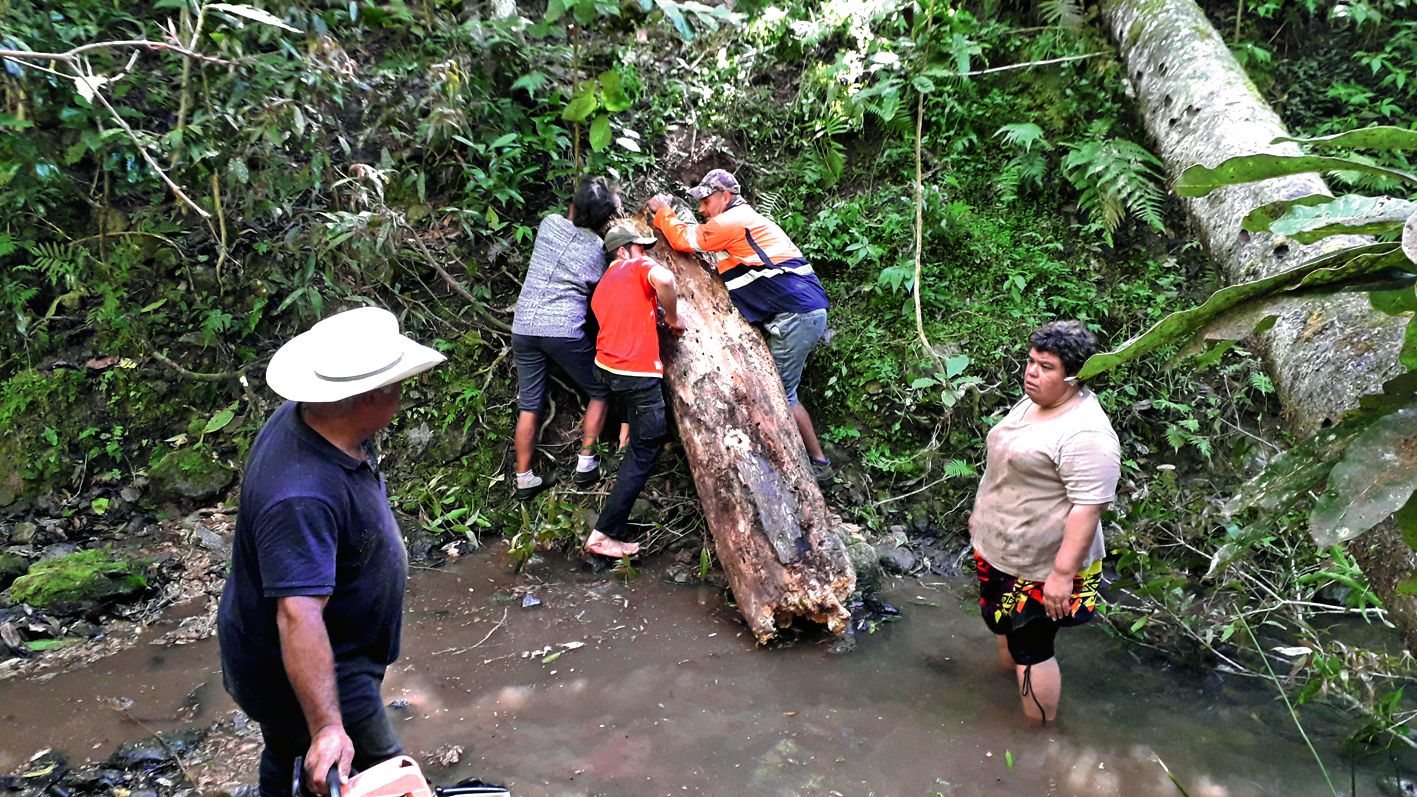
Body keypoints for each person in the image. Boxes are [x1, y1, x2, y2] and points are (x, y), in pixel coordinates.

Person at [217, 307, 446, 796]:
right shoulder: (300, 494)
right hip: (320, 668)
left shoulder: (313, 419)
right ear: (367, 398)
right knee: (389, 775)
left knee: (287, 749)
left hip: (305, 653)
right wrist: (326, 726)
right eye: (395, 386)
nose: (402, 395)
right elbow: (298, 616)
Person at [967, 320, 1120, 725]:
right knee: (1005, 625)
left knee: (1033, 647)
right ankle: (1008, 680)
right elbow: (1005, 467)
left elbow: (1088, 508)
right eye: (1031, 362)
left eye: (1045, 367)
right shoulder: (1033, 403)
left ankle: (1039, 736)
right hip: (1003, 545)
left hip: (1044, 563)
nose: (1031, 372)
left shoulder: (1086, 433)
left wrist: (1061, 574)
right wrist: (981, 518)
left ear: (1074, 377)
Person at [646, 169, 833, 483]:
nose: (702, 209)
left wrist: (663, 211)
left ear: (725, 197)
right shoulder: (741, 223)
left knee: (781, 395)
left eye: (706, 201)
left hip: (796, 316)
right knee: (782, 392)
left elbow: (682, 239)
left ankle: (816, 465)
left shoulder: (731, 223)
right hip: (797, 313)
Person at [511, 177, 623, 500]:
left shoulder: (549, 225)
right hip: (562, 330)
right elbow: (596, 292)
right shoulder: (597, 252)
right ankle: (586, 464)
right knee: (600, 388)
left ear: (572, 206)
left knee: (530, 405)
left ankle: (524, 478)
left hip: (523, 327)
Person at [583, 224, 686, 559]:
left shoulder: (600, 289)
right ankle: (604, 534)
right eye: (641, 248)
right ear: (622, 252)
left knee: (639, 419)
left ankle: (629, 427)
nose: (647, 254)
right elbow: (668, 281)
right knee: (647, 448)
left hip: (607, 369)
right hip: (636, 374)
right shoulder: (635, 266)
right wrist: (672, 316)